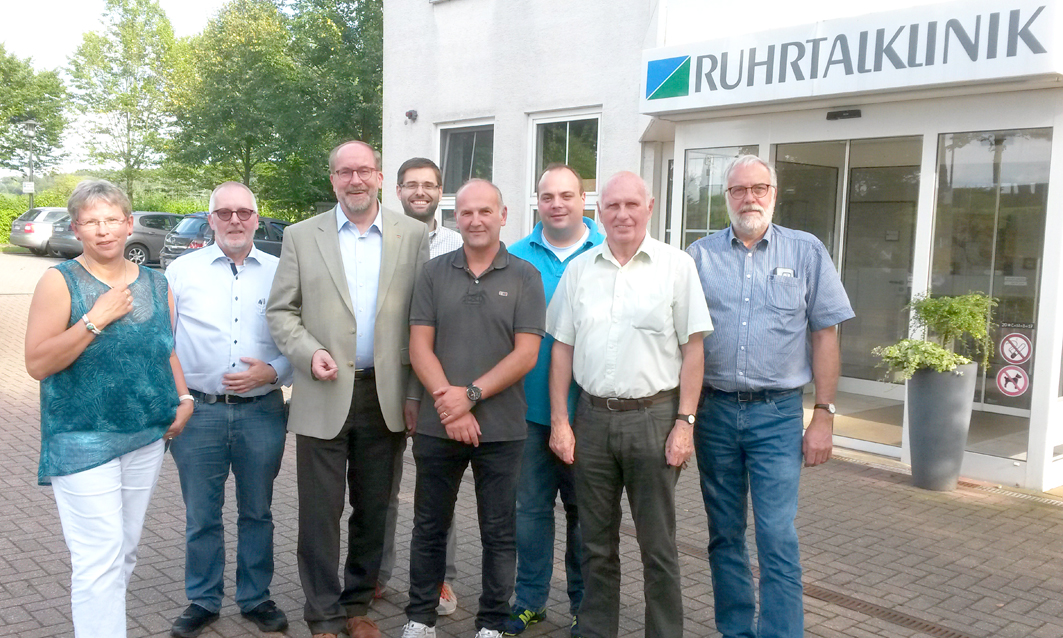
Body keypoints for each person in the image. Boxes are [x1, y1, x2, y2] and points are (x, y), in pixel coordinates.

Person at [686, 154, 854, 638]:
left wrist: (823, 415)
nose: (749, 198)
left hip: (778, 416)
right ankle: (736, 630)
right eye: (739, 190)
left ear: (774, 194)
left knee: (777, 534)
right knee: (724, 534)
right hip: (714, 413)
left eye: (759, 188)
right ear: (726, 199)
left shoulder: (806, 252)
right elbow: (684, 341)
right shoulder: (699, 257)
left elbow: (826, 334)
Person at [267, 140, 430, 638]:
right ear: (333, 179)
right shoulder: (301, 236)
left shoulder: (413, 235)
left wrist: (415, 396)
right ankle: (322, 613)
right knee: (320, 513)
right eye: (344, 172)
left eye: (363, 171)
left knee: (374, 509)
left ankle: (358, 605)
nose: (354, 180)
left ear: (380, 177)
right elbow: (280, 311)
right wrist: (305, 350)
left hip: (385, 395)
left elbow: (422, 320)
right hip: (322, 392)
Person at [546, 171, 712, 638]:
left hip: (654, 420)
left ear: (650, 206)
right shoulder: (580, 270)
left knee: (658, 546)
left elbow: (693, 349)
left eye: (631, 205)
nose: (622, 214)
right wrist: (560, 420)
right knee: (595, 544)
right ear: (599, 211)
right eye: (612, 205)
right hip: (592, 421)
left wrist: (685, 423)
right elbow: (561, 348)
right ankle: (598, 630)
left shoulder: (676, 266)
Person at [24, 179, 193, 638]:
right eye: (91, 221)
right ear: (76, 228)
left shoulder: (158, 283)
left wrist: (184, 398)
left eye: (112, 219)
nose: (104, 230)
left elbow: (166, 348)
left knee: (124, 552)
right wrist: (94, 319)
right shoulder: (59, 282)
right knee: (98, 557)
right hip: (81, 438)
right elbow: (38, 363)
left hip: (145, 437)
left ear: (128, 223)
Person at [400, 179, 545, 638]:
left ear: (503, 216)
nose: (476, 220)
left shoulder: (525, 276)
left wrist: (471, 396)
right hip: (437, 425)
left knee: (499, 532)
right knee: (429, 527)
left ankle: (491, 623)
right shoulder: (433, 272)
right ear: (455, 217)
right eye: (466, 212)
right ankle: (420, 618)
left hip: (501, 428)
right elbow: (419, 346)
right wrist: (451, 405)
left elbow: (526, 354)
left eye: (485, 211)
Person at [166, 182, 292, 637]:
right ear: (210, 218)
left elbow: (299, 339)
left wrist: (273, 373)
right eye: (225, 213)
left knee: (258, 510)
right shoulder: (180, 272)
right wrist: (177, 400)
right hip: (199, 413)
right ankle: (203, 598)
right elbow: (166, 344)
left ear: (258, 217)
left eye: (244, 212)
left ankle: (255, 597)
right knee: (202, 512)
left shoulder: (282, 272)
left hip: (262, 411)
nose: (235, 220)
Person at [503, 164, 603, 637]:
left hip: (592, 413)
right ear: (537, 201)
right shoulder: (515, 257)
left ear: (583, 198)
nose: (557, 203)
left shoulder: (610, 252)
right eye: (547, 196)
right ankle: (529, 601)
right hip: (530, 413)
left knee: (587, 516)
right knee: (531, 512)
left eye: (567, 194)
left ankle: (585, 605)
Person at [378, 157, 462, 615]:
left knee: (438, 490)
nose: (420, 192)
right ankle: (377, 573)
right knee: (384, 489)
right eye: (411, 184)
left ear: (440, 191)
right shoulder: (382, 239)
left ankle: (441, 581)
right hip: (390, 380)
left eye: (428, 185)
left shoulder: (458, 244)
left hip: (440, 384)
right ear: (397, 190)